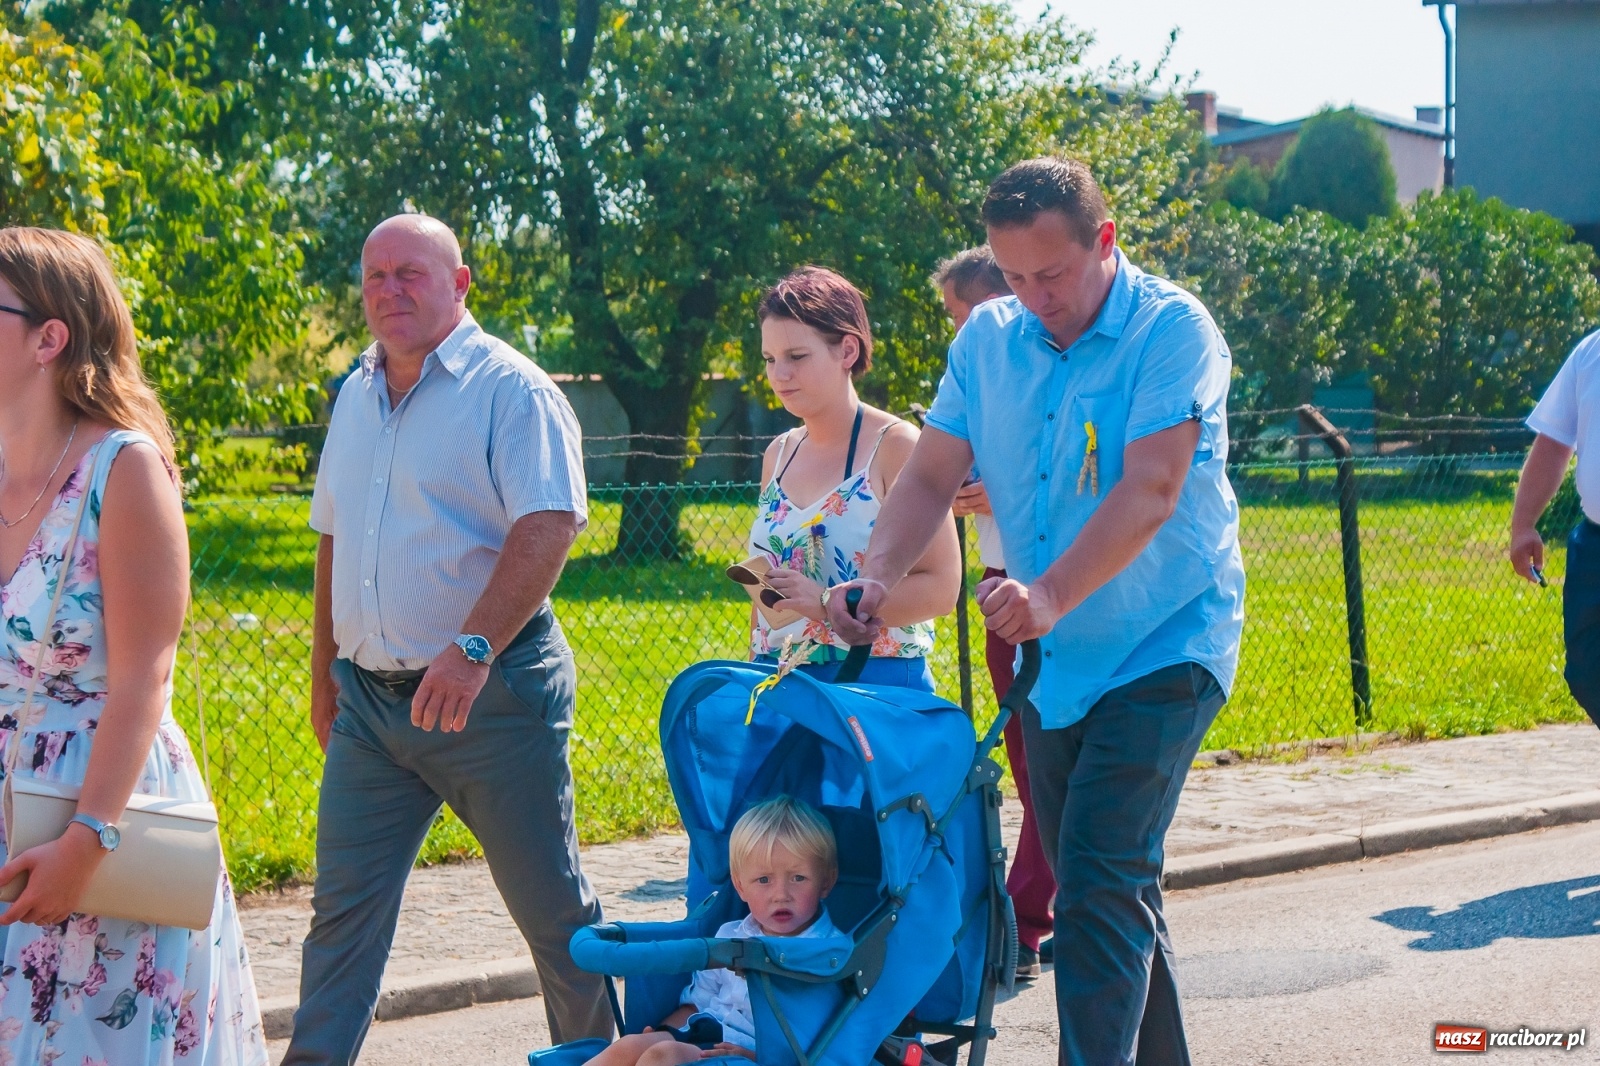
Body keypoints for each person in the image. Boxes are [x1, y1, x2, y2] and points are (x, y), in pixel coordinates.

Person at [826, 158, 1245, 1066]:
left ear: (1105, 241)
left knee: (1095, 885)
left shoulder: (1173, 331)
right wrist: (876, 574)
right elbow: (932, 472)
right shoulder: (988, 342)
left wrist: (1051, 592)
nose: (1032, 296)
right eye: (1013, 277)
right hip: (1053, 664)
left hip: (1167, 639)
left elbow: (1153, 486)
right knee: (1112, 885)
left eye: (1050, 274)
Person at [284, 214, 610, 1062]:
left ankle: (600, 1057)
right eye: (375, 278)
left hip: (491, 699)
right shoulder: (355, 392)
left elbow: (548, 525)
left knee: (554, 915)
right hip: (370, 708)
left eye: (411, 274)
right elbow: (333, 536)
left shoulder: (513, 390)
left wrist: (470, 651)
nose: (390, 291)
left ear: (460, 283)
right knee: (340, 924)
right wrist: (324, 674)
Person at [0, 227, 267, 1061]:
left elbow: (145, 679)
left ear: (50, 338)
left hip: (91, 808)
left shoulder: (126, 468)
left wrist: (88, 840)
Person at [745, 267, 961, 690]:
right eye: (770, 359)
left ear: (847, 350)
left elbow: (941, 588)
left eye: (796, 356)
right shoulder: (779, 454)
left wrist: (827, 605)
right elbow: (765, 599)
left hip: (872, 687)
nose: (779, 375)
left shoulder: (895, 446)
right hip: (781, 684)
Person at [933, 246, 1056, 981]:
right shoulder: (977, 378)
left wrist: (993, 487)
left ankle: (1028, 917)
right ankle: (1044, 904)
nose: (959, 332)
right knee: (1023, 754)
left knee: (1046, 759)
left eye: (965, 313)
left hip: (1047, 582)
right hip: (997, 574)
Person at [584, 796, 841, 1065]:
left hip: (750, 1054)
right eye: (763, 880)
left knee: (662, 1055)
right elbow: (697, 1004)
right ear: (740, 886)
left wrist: (757, 1057)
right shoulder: (730, 935)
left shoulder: (829, 954)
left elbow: (826, 1042)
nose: (781, 894)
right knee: (631, 1044)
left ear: (826, 882)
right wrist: (663, 1031)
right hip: (705, 1032)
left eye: (798, 878)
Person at [1510, 326, 1600, 729]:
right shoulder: (1590, 353)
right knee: (1587, 670)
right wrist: (1523, 524)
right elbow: (1554, 441)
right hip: (1595, 545)